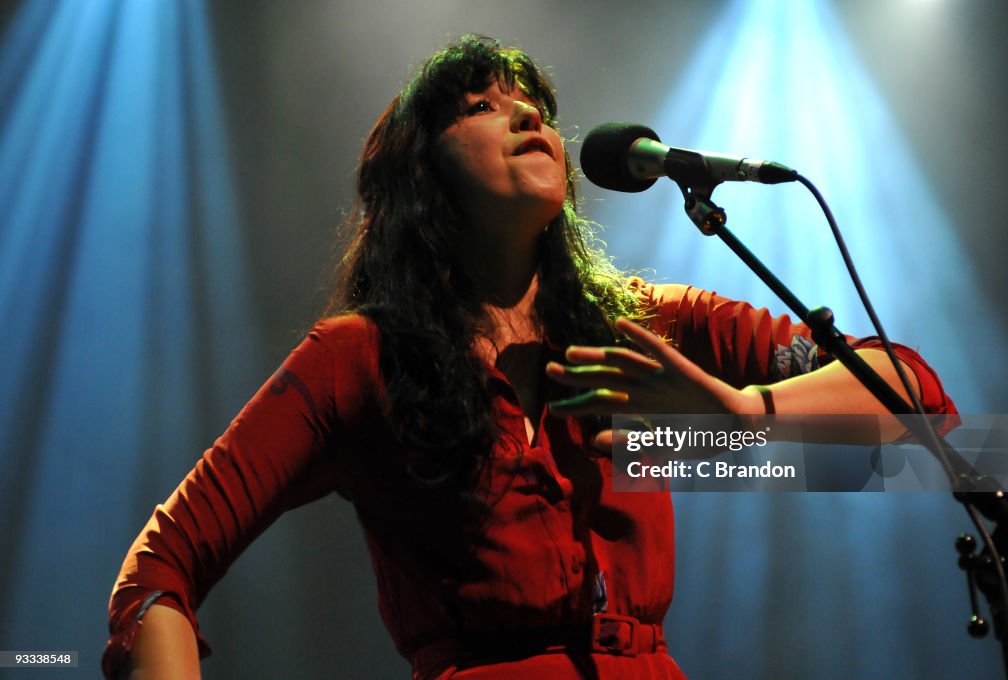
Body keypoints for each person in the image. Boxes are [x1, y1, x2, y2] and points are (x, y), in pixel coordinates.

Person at [103, 35, 956, 679]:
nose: (526, 115)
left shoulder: (645, 323)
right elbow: (158, 572)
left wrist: (741, 422)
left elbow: (925, 408)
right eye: (481, 105)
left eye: (535, 104)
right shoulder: (357, 357)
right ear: (420, 175)